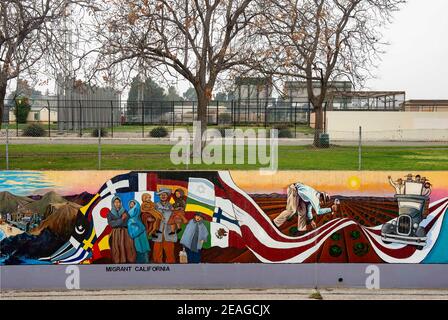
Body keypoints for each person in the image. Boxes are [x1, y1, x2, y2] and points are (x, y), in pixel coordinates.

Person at [273, 182, 338, 236]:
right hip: (294, 189)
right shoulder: (314, 198)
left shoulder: (314, 197)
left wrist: (311, 220)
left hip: (300, 195)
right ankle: (275, 223)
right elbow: (318, 211)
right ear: (321, 197)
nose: (321, 203)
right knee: (292, 210)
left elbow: (309, 210)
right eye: (323, 201)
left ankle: (301, 231)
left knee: (303, 211)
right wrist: (331, 209)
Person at [107, 196, 136, 264]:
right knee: (117, 247)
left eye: (118, 202)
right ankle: (118, 261)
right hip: (116, 233)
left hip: (125, 232)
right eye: (115, 202)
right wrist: (121, 219)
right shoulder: (110, 213)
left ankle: (127, 261)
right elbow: (111, 224)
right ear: (113, 203)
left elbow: (127, 221)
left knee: (127, 246)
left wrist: (119, 221)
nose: (117, 204)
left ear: (120, 203)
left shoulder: (125, 211)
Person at [152, 188, 177, 264]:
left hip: (168, 231)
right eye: (161, 195)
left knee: (169, 251)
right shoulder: (155, 206)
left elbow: (176, 218)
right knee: (157, 251)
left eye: (165, 194)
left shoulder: (172, 206)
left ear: (167, 196)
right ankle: (157, 266)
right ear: (159, 196)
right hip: (158, 231)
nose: (163, 196)